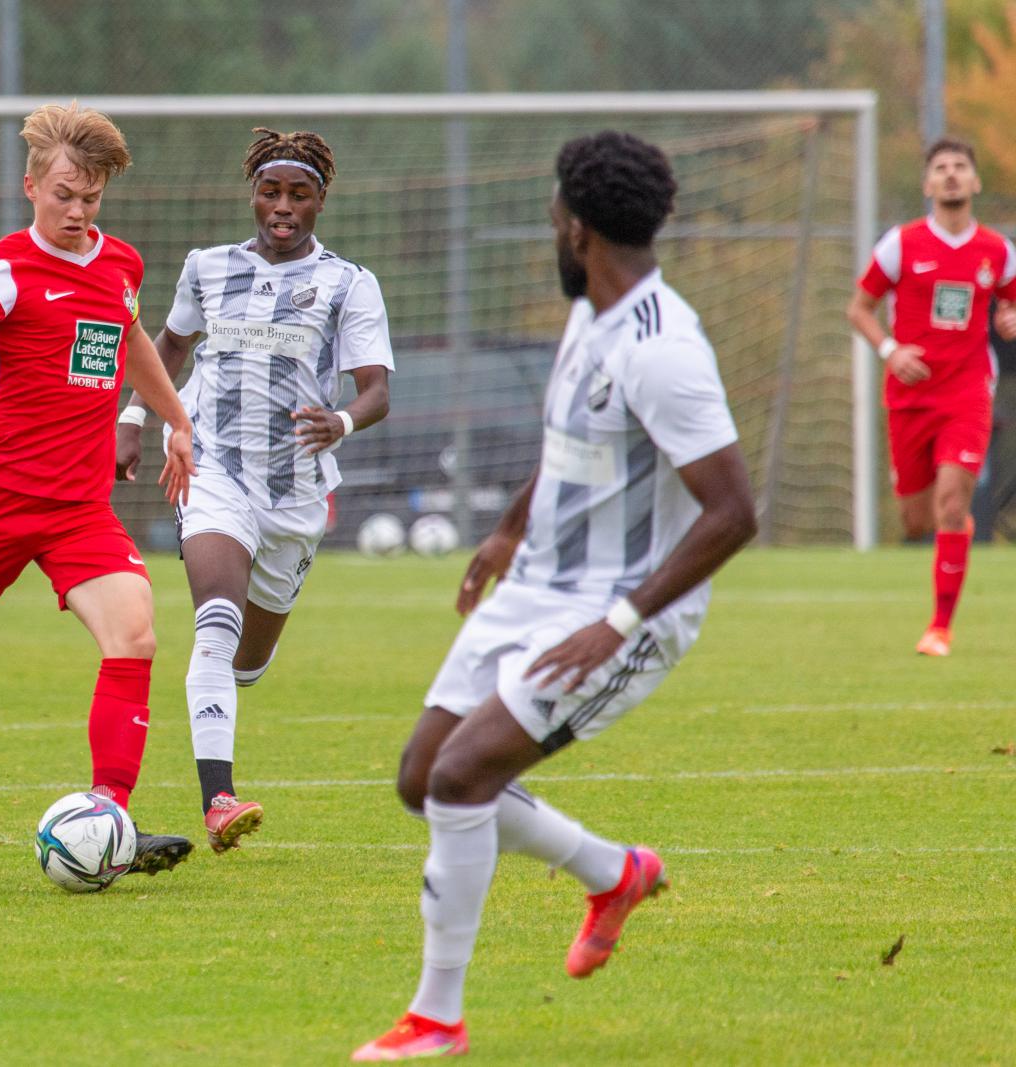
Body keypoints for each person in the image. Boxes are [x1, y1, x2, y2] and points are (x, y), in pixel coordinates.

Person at [353, 131, 757, 1061]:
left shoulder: (665, 350)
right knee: (422, 776)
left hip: (619, 614)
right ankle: (614, 872)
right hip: (538, 585)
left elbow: (735, 512)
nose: (550, 223)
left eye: (551, 211)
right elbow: (571, 443)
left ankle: (437, 1019)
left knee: (461, 778)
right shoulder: (590, 314)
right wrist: (505, 529)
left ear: (576, 227)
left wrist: (615, 625)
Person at [0, 102, 199, 877]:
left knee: (136, 635)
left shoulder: (121, 265)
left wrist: (176, 419)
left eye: (90, 198)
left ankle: (110, 815)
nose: (78, 211)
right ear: (31, 187)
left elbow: (134, 338)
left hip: (78, 508)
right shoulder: (4, 268)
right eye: (64, 195)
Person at [115, 128, 393, 852]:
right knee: (214, 620)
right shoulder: (206, 267)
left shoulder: (348, 283)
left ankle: (230, 687)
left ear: (319, 201)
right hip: (213, 474)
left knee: (246, 662)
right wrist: (137, 414)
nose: (281, 206)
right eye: (270, 191)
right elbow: (166, 347)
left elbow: (377, 391)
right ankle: (220, 799)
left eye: (298, 194)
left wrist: (340, 419)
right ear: (253, 194)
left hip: (297, 496)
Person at [845, 137, 1016, 657]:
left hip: (967, 393)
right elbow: (859, 309)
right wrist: (891, 350)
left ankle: (940, 627)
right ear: (927, 184)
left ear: (974, 181)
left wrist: (1010, 318)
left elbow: (1011, 302)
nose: (950, 175)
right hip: (910, 398)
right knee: (917, 520)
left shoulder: (998, 250)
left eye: (960, 167)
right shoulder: (901, 245)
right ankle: (953, 527)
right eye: (940, 168)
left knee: (949, 503)